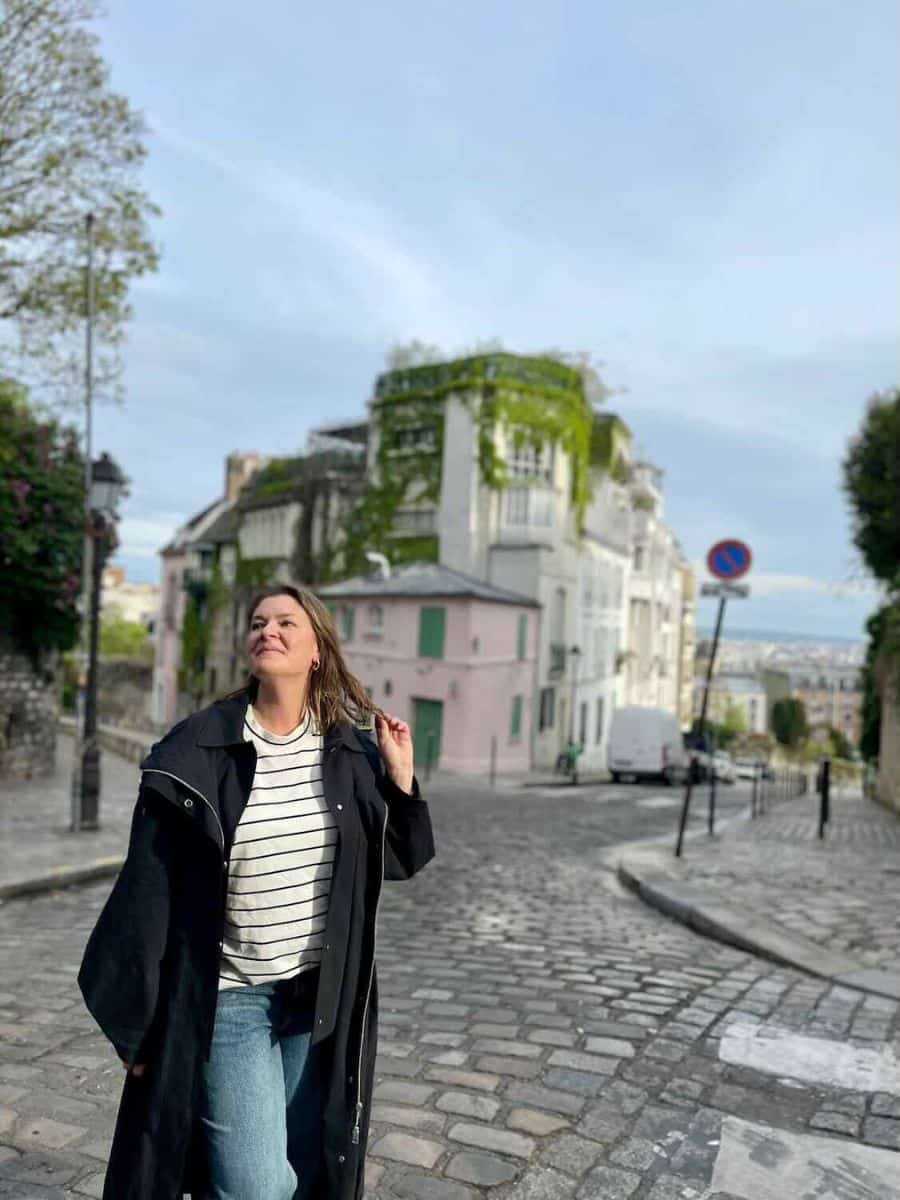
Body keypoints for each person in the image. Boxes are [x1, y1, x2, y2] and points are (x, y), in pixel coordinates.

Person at [78, 584, 436, 1200]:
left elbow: (397, 860)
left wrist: (401, 781)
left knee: (301, 1166)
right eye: (258, 622)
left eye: (286, 623)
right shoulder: (196, 749)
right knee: (258, 1185)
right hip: (229, 999)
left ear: (317, 649)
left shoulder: (348, 752)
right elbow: (146, 888)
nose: (267, 630)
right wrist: (137, 1026)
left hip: (314, 997)